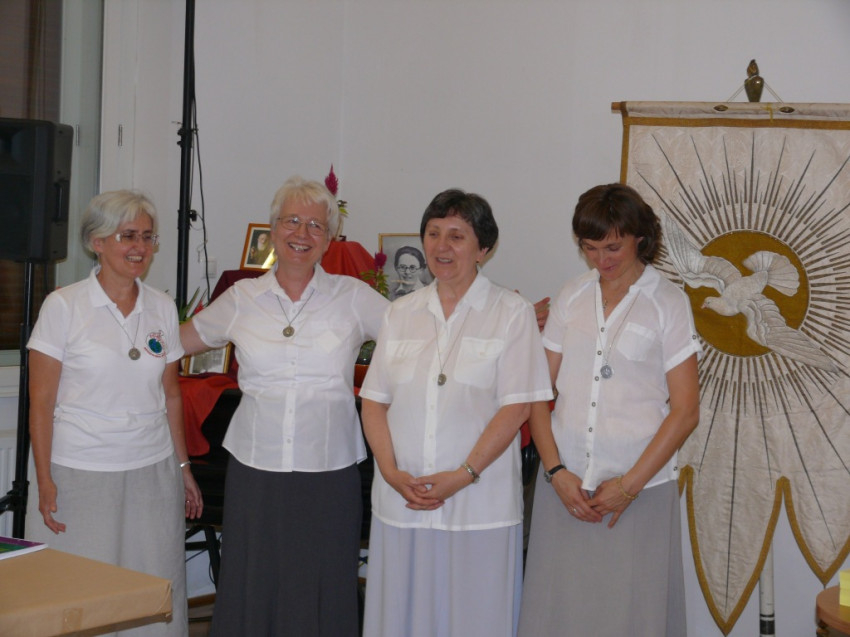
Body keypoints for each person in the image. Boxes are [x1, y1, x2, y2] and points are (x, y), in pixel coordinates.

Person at [180, 176, 388, 637]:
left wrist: (498, 324)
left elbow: (419, 338)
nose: (302, 233)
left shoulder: (354, 298)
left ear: (329, 239)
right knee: (253, 580)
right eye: (292, 221)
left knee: (324, 580)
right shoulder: (242, 299)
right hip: (256, 468)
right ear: (273, 229)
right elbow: (172, 344)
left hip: (329, 469)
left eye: (316, 225)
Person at [360, 188, 553, 637]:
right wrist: (390, 472)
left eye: (456, 236)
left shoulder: (511, 313)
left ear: (484, 248)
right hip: (403, 498)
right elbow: (374, 401)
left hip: (478, 503)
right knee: (400, 619)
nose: (441, 247)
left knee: (474, 620)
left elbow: (517, 408)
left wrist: (462, 476)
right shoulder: (399, 313)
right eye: (433, 234)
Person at [518, 183, 701, 636]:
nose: (602, 259)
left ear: (639, 237)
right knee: (560, 613)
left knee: (633, 617)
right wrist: (555, 472)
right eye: (590, 247)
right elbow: (538, 393)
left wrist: (628, 486)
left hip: (639, 491)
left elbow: (685, 411)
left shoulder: (668, 302)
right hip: (565, 488)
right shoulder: (571, 296)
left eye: (613, 247)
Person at [26, 190, 203, 637]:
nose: (140, 247)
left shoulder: (162, 307)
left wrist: (183, 468)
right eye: (128, 236)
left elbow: (171, 395)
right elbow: (41, 402)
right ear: (97, 242)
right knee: (78, 592)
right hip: (80, 472)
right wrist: (44, 479)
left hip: (152, 470)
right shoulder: (63, 306)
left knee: (149, 587)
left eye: (147, 236)